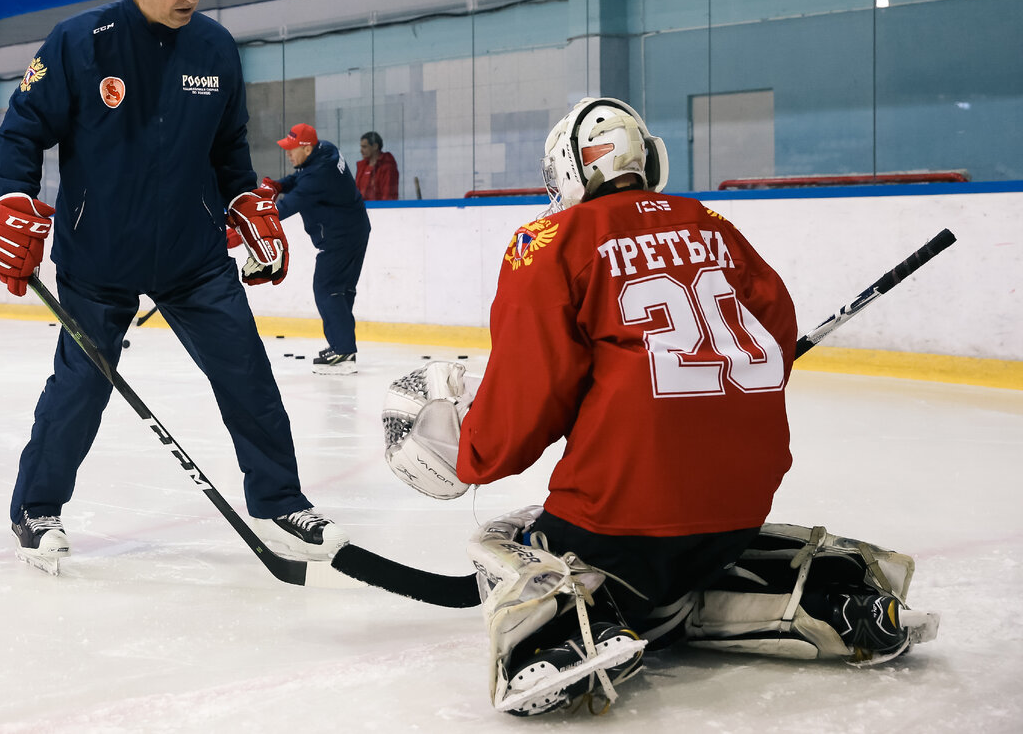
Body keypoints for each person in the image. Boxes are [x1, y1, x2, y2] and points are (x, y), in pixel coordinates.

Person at [382, 98, 937, 716]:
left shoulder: (551, 240)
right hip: (740, 510)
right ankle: (827, 598)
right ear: (647, 159)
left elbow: (529, 396)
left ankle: (566, 638)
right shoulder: (712, 224)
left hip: (621, 516)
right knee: (687, 560)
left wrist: (472, 455)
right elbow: (775, 337)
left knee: (510, 535)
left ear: (569, 170)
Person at [0, 0, 347, 576]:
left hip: (192, 255)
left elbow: (228, 150)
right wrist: (14, 202)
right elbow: (22, 131)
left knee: (246, 372)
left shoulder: (215, 50)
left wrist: (245, 205)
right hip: (99, 256)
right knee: (82, 387)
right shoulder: (79, 43)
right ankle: (36, 508)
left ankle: (281, 500)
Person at [262, 123, 371, 374]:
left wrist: (250, 226)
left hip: (340, 238)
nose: (288, 154)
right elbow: (301, 177)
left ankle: (342, 353)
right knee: (341, 291)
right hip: (354, 231)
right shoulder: (326, 151)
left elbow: (287, 207)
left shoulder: (318, 175)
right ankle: (342, 347)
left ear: (307, 148)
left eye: (291, 149)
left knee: (327, 289)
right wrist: (280, 184)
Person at [355, 131, 399, 200]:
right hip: (363, 208)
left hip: (380, 208)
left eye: (364, 147)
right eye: (361, 147)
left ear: (375, 146)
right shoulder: (362, 167)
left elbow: (388, 194)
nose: (361, 150)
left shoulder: (387, 167)